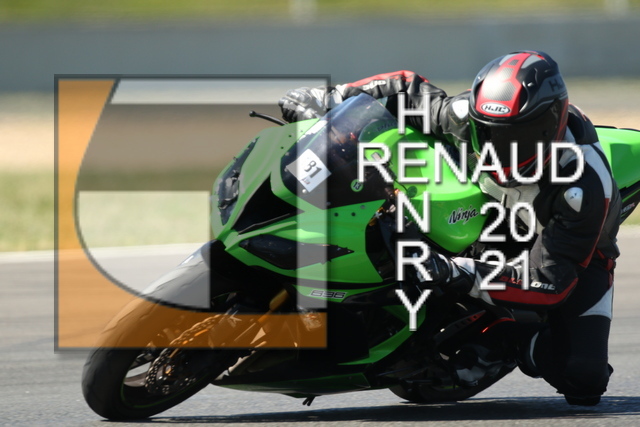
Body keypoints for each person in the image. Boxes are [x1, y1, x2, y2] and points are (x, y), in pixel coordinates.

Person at [278, 50, 621, 406]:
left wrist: (457, 270)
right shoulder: (465, 117)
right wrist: (329, 98)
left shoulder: (582, 186)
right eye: (488, 133)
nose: (498, 147)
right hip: (491, 218)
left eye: (516, 137)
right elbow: (404, 89)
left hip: (570, 254)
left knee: (583, 377)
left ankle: (513, 338)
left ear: (551, 125)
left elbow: (550, 280)